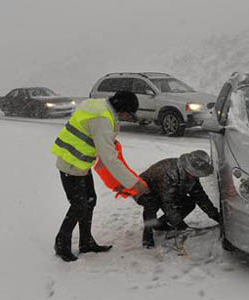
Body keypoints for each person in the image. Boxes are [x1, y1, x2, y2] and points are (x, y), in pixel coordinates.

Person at [51, 91, 149, 262]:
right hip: (71, 163)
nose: (127, 117)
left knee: (90, 199)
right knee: (79, 205)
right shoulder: (102, 119)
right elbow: (110, 158)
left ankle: (86, 242)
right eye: (128, 113)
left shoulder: (100, 106)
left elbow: (97, 138)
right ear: (121, 108)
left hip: (80, 163)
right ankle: (61, 244)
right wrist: (134, 184)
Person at [134, 150, 221, 248]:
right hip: (142, 189)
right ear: (188, 168)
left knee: (189, 203)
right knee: (152, 204)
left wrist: (216, 216)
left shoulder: (192, 177)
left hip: (166, 191)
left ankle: (159, 224)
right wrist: (181, 226)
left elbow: (200, 197)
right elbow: (168, 204)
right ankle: (148, 235)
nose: (196, 176)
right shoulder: (169, 174)